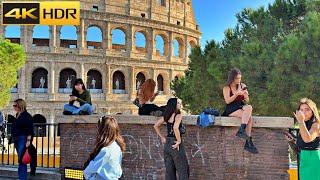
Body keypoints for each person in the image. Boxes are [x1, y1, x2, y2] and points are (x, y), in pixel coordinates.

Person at [222, 68, 258, 154]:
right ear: (232, 78)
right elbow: (227, 101)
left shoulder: (242, 85)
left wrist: (246, 97)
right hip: (231, 109)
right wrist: (236, 94)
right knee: (249, 118)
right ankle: (248, 142)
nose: (239, 80)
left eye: (240, 78)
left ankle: (241, 130)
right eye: (237, 78)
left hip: (241, 106)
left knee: (249, 107)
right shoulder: (227, 87)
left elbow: (247, 101)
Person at [154, 98, 189, 180]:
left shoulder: (167, 115)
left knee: (169, 172)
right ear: (174, 105)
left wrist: (162, 137)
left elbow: (155, 125)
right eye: (178, 103)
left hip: (167, 143)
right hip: (175, 143)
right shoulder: (178, 115)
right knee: (182, 169)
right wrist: (179, 140)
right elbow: (176, 128)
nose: (180, 104)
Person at [292, 98, 320, 180]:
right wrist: (292, 140)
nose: (304, 112)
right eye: (301, 110)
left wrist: (301, 121)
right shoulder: (304, 124)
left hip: (313, 157)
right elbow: (303, 142)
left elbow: (308, 139)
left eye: (307, 109)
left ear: (312, 111)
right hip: (303, 156)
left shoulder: (316, 124)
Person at [11, 99, 34, 180]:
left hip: (22, 139)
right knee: (20, 159)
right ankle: (21, 177)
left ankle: (22, 178)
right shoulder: (18, 114)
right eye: (13, 105)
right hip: (17, 139)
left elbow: (30, 129)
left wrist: (28, 141)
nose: (14, 107)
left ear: (20, 106)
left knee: (22, 160)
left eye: (15, 106)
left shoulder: (27, 116)